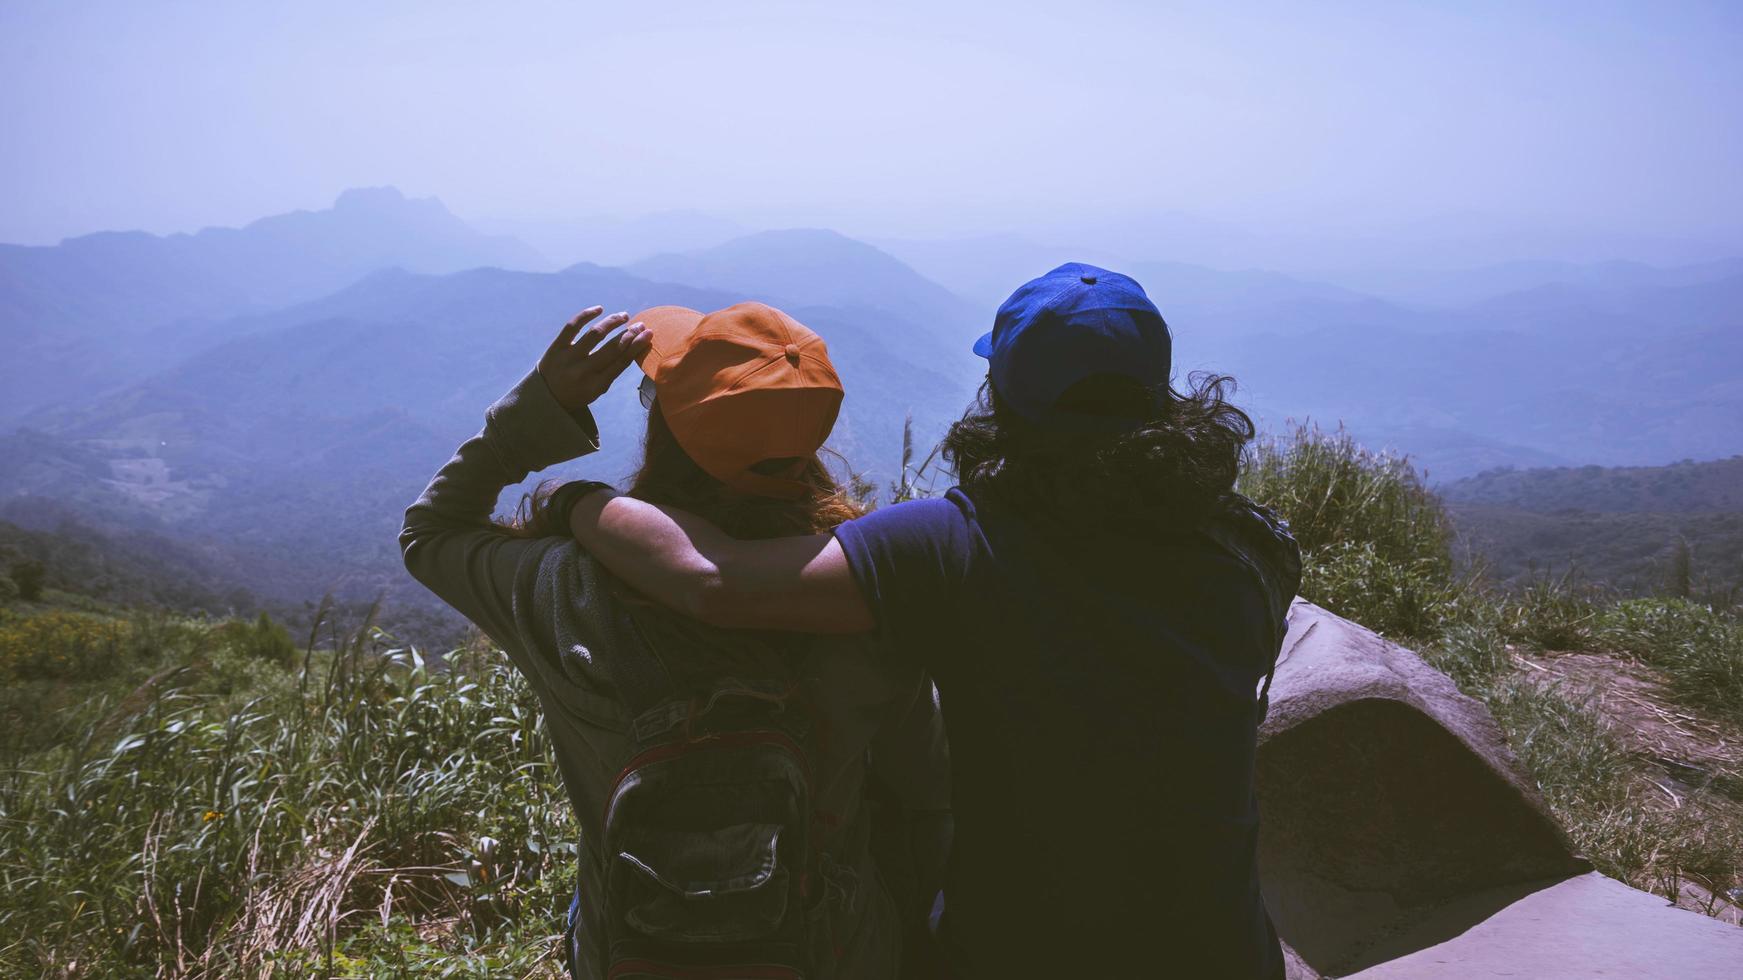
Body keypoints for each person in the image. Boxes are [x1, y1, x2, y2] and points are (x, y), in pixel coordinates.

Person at [559, 264, 1302, 979]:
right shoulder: (1257, 550)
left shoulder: (951, 549)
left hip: (1017, 955)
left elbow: (711, 581)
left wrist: (575, 502)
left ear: (1001, 400)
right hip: (1222, 952)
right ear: (1162, 398)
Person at [400, 302, 951, 979]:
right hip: (831, 952)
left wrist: (538, 415)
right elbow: (925, 796)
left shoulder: (564, 588)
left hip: (633, 954)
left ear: (666, 430)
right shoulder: (862, 597)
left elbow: (430, 534)